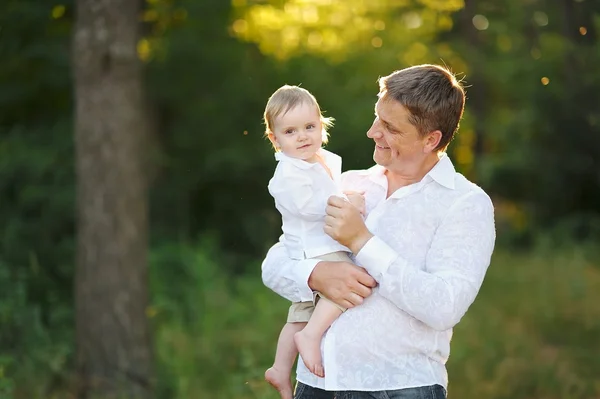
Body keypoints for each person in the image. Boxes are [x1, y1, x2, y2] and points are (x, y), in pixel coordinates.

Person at [261, 64, 496, 399]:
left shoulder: (465, 203)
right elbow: (273, 265)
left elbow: (444, 306)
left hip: (400, 388)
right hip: (317, 386)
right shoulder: (346, 185)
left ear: (430, 140)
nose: (372, 132)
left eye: (390, 128)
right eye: (377, 118)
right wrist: (316, 275)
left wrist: (361, 241)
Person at [262, 85, 367, 399]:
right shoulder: (287, 174)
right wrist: (346, 201)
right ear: (275, 139)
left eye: (310, 126)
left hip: (314, 247)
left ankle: (280, 368)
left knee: (302, 309)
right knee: (351, 282)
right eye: (290, 131)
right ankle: (310, 337)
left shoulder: (317, 161)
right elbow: (308, 206)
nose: (303, 136)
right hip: (318, 250)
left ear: (322, 125)